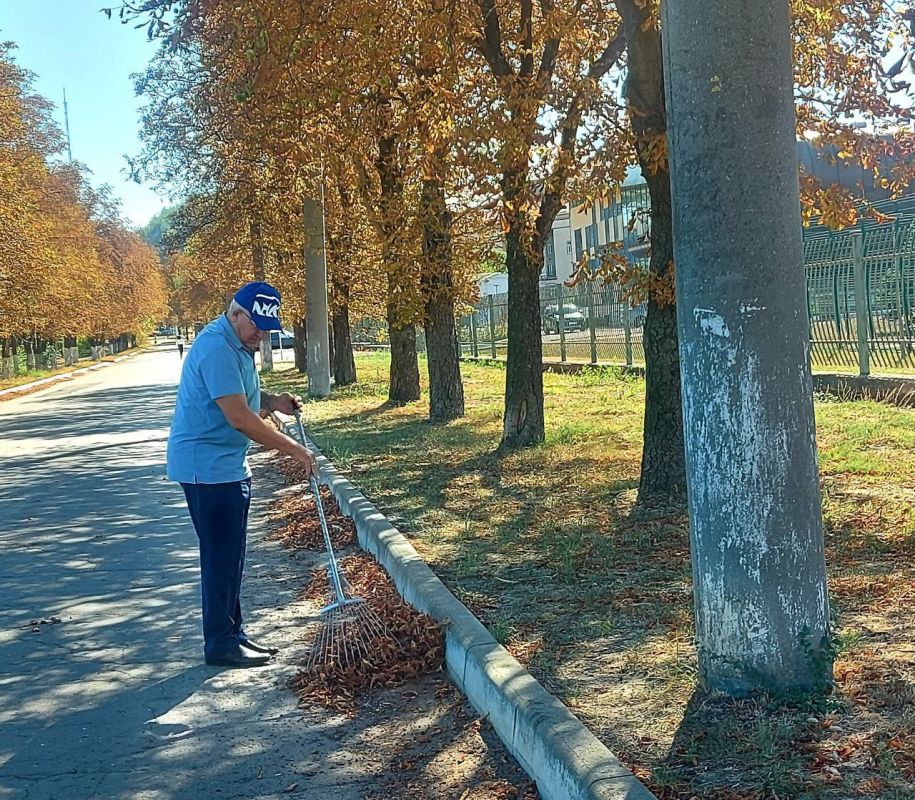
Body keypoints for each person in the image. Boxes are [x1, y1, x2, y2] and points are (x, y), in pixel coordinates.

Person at [166, 281, 317, 668]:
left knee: (231, 555)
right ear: (235, 313)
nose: (261, 334)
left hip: (226, 466)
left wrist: (273, 402)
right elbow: (238, 418)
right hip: (207, 468)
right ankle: (220, 643)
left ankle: (233, 634)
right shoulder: (217, 347)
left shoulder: (239, 344)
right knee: (221, 556)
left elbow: (242, 397)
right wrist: (295, 450)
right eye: (256, 325)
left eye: (267, 327)